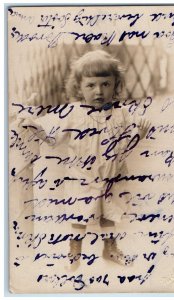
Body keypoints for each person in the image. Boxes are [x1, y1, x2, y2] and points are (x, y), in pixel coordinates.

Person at [22, 49, 151, 269]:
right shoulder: (73, 112)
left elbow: (123, 150)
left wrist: (139, 135)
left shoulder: (122, 113)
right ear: (79, 87)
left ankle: (110, 248)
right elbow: (53, 138)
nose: (99, 91)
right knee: (79, 214)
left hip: (111, 176)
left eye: (105, 84)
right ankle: (74, 255)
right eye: (91, 85)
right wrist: (36, 127)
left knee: (109, 213)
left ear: (115, 84)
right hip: (81, 177)